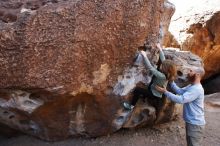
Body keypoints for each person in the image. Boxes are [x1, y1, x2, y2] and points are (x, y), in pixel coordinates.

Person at [123, 43, 177, 117]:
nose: (160, 65)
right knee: (150, 82)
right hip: (155, 90)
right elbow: (163, 59)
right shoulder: (167, 74)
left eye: (162, 65)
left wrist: (144, 56)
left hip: (154, 94)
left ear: (165, 68)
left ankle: (131, 106)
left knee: (137, 90)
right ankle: (144, 97)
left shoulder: (161, 76)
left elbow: (150, 68)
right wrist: (160, 49)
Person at [156, 67, 205, 146]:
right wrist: (171, 81)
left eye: (191, 71)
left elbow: (181, 99)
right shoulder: (191, 86)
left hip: (195, 124)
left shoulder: (196, 89)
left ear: (197, 74)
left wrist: (165, 92)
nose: (188, 72)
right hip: (192, 122)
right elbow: (179, 91)